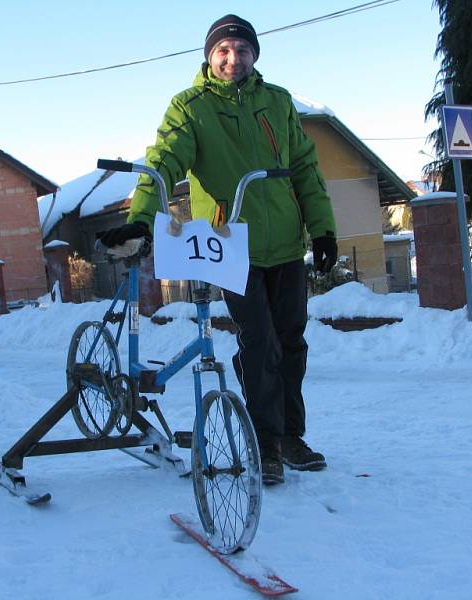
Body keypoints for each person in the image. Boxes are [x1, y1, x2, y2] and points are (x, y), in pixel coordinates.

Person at [99, 14, 337, 485]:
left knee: (292, 342)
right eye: (224, 50)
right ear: (210, 56)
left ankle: (291, 436)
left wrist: (322, 228)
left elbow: (305, 167)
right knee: (260, 343)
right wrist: (142, 219)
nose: (234, 58)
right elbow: (164, 162)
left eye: (243, 49)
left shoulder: (278, 102)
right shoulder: (191, 107)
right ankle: (266, 444)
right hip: (232, 245)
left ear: (254, 55)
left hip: (287, 242)